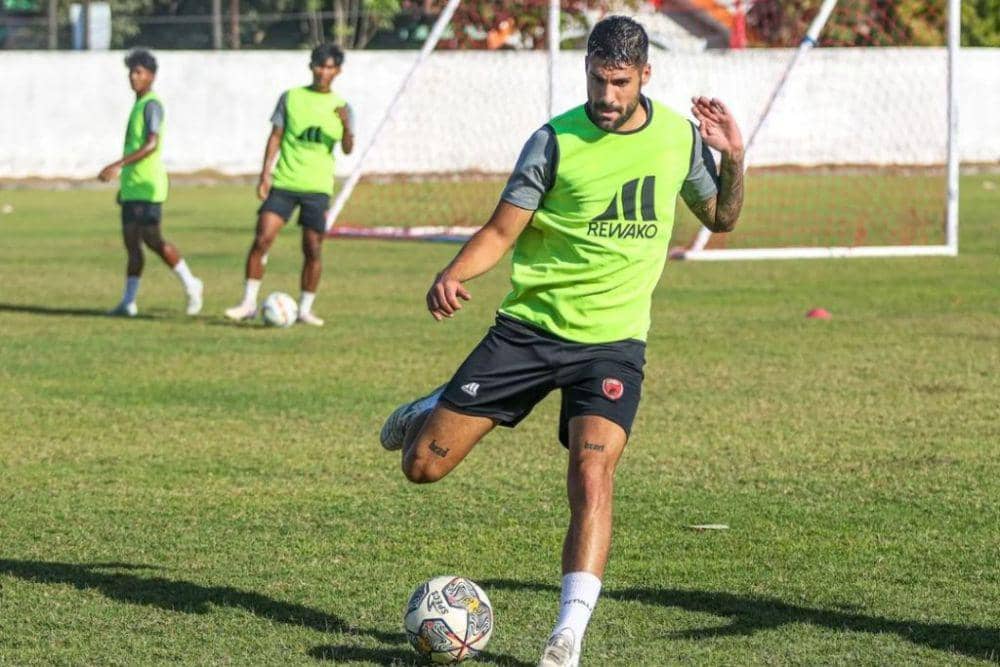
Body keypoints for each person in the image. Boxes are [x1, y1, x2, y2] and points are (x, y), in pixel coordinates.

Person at [378, 16, 745, 667]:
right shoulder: (553, 142)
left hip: (612, 345)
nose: (607, 96)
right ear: (587, 70)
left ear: (645, 77)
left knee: (592, 473)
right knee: (422, 466)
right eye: (598, 80)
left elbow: (721, 217)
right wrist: (454, 273)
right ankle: (431, 406)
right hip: (528, 332)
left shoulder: (676, 139)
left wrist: (733, 156)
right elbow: (500, 230)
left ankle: (566, 637)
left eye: (620, 82)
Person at [224, 43, 355, 326]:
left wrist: (346, 126)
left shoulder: (342, 107)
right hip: (285, 181)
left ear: (338, 71)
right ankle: (248, 303)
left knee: (312, 248)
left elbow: (347, 148)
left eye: (330, 67)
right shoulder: (291, 98)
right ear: (311, 67)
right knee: (263, 238)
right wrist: (265, 174)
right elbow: (275, 136)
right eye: (319, 66)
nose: (323, 72)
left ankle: (305, 308)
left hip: (318, 187)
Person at [100, 49, 203, 317]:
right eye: (131, 73)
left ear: (151, 76)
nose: (133, 77)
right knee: (132, 245)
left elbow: (152, 143)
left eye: (139, 73)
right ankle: (128, 302)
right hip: (132, 188)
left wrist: (118, 164)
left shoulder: (152, 105)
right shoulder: (138, 104)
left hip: (148, 187)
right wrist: (124, 187)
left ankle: (191, 284)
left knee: (154, 241)